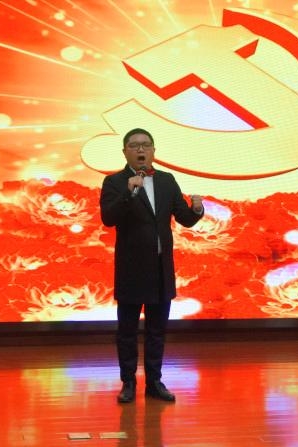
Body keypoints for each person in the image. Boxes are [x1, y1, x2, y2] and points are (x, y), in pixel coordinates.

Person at [99, 128, 204, 403]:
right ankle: (128, 382)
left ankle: (155, 382)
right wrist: (128, 192)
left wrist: (196, 209)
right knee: (127, 331)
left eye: (146, 145)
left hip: (160, 269)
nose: (140, 150)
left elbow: (183, 218)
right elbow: (108, 218)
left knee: (157, 331)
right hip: (131, 269)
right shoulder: (115, 182)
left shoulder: (167, 180)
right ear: (125, 152)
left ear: (154, 151)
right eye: (134, 146)